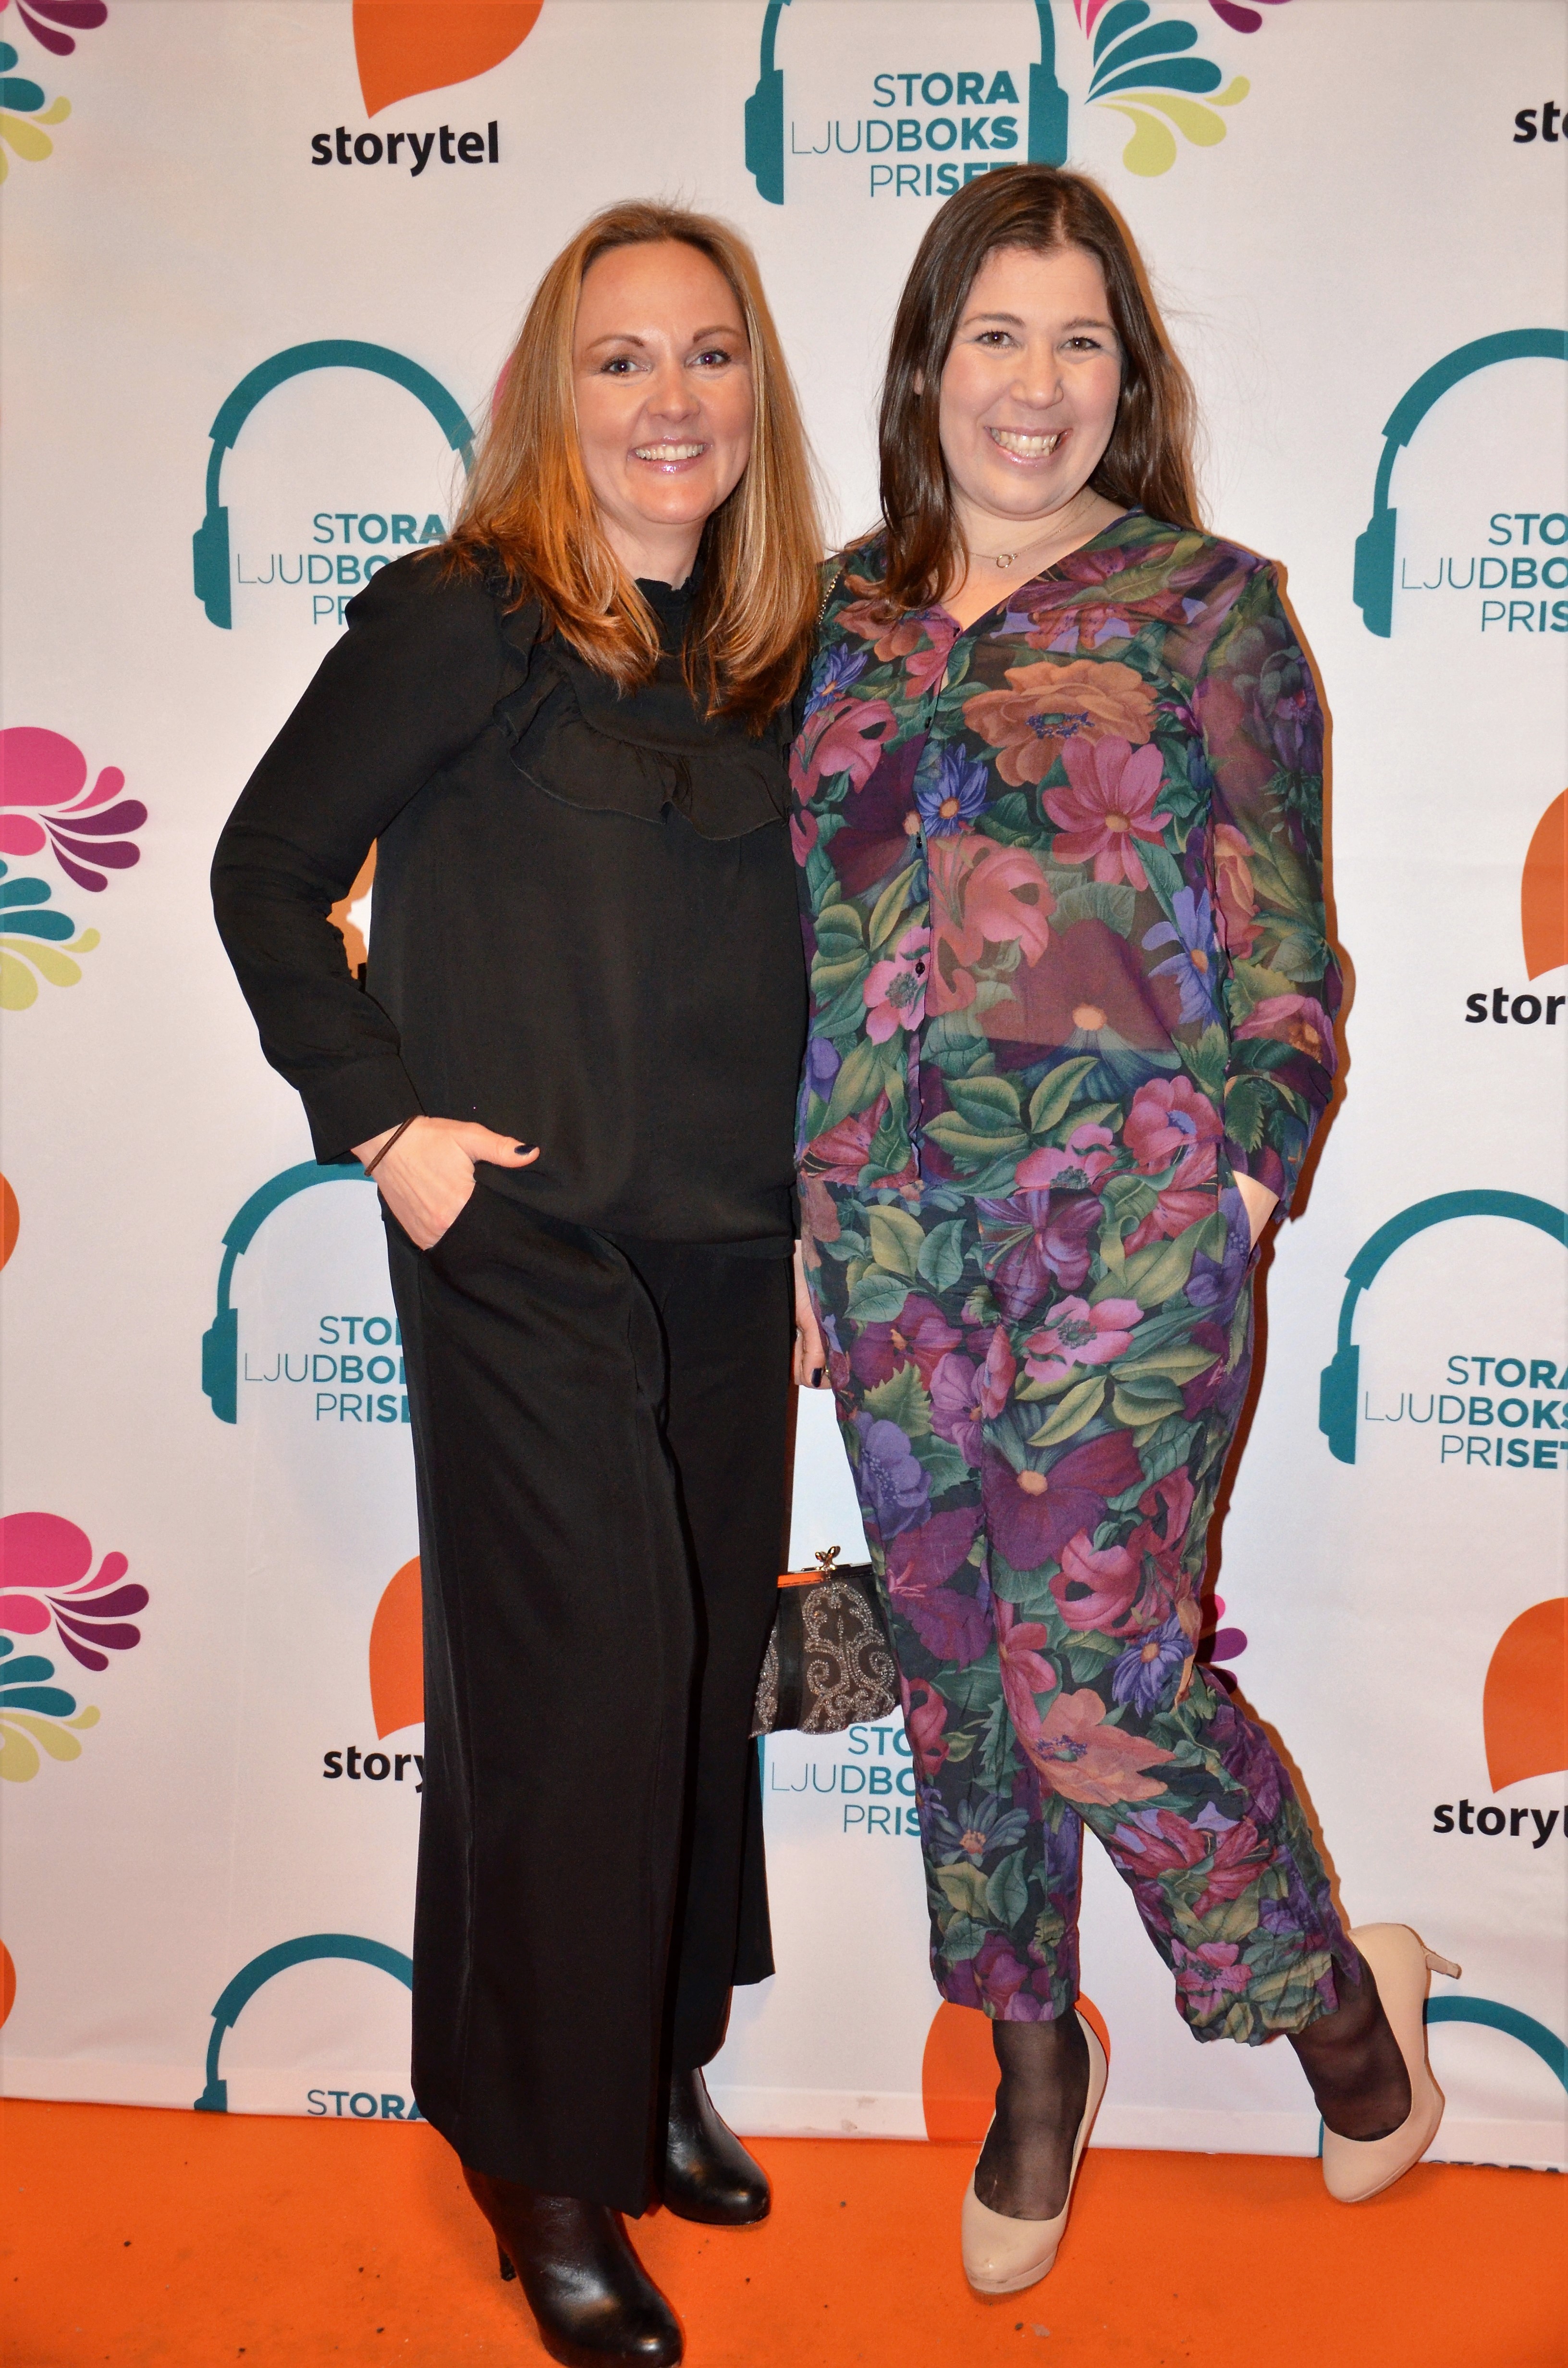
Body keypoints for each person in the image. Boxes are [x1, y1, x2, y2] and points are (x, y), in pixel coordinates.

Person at [788, 164, 1457, 2297]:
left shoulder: (1205, 606)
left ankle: (1343, 2018)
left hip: (1131, 1227)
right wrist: (795, 1221)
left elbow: (1285, 931)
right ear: (929, 362)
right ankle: (1031, 2062)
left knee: (1091, 1686)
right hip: (883, 1235)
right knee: (957, 1671)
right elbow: (781, 947)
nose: (1038, 379)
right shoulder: (829, 619)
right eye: (997, 332)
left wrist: (1244, 1169)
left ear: (1129, 376)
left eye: (1081, 339)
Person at [213, 201, 821, 2368]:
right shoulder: (465, 614)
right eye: (621, 358)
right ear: (553, 396)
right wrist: (387, 1126)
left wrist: (812, 1227)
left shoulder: (771, 652)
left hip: (730, 1256)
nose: (672, 400)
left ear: (756, 392)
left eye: (709, 354)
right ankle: (542, 2158)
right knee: (578, 1697)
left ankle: (651, 2061)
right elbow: (268, 866)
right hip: (524, 1253)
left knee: (694, 1678)